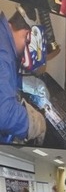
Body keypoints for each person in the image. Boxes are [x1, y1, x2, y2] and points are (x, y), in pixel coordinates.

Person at [0, 9, 47, 144]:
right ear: (27, 35)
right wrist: (34, 123)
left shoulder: (3, 37)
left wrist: (20, 82)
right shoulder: (4, 55)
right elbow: (4, 114)